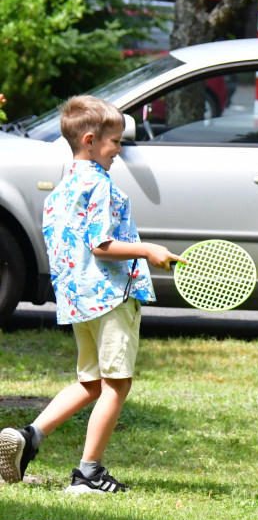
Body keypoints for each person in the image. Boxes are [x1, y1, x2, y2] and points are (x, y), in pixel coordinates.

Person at [0, 96, 181, 493]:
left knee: (90, 383)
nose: (119, 149)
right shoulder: (99, 185)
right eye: (114, 141)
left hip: (79, 301)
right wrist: (148, 250)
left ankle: (28, 437)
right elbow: (101, 244)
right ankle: (89, 473)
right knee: (117, 384)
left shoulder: (61, 192)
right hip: (111, 297)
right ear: (89, 139)